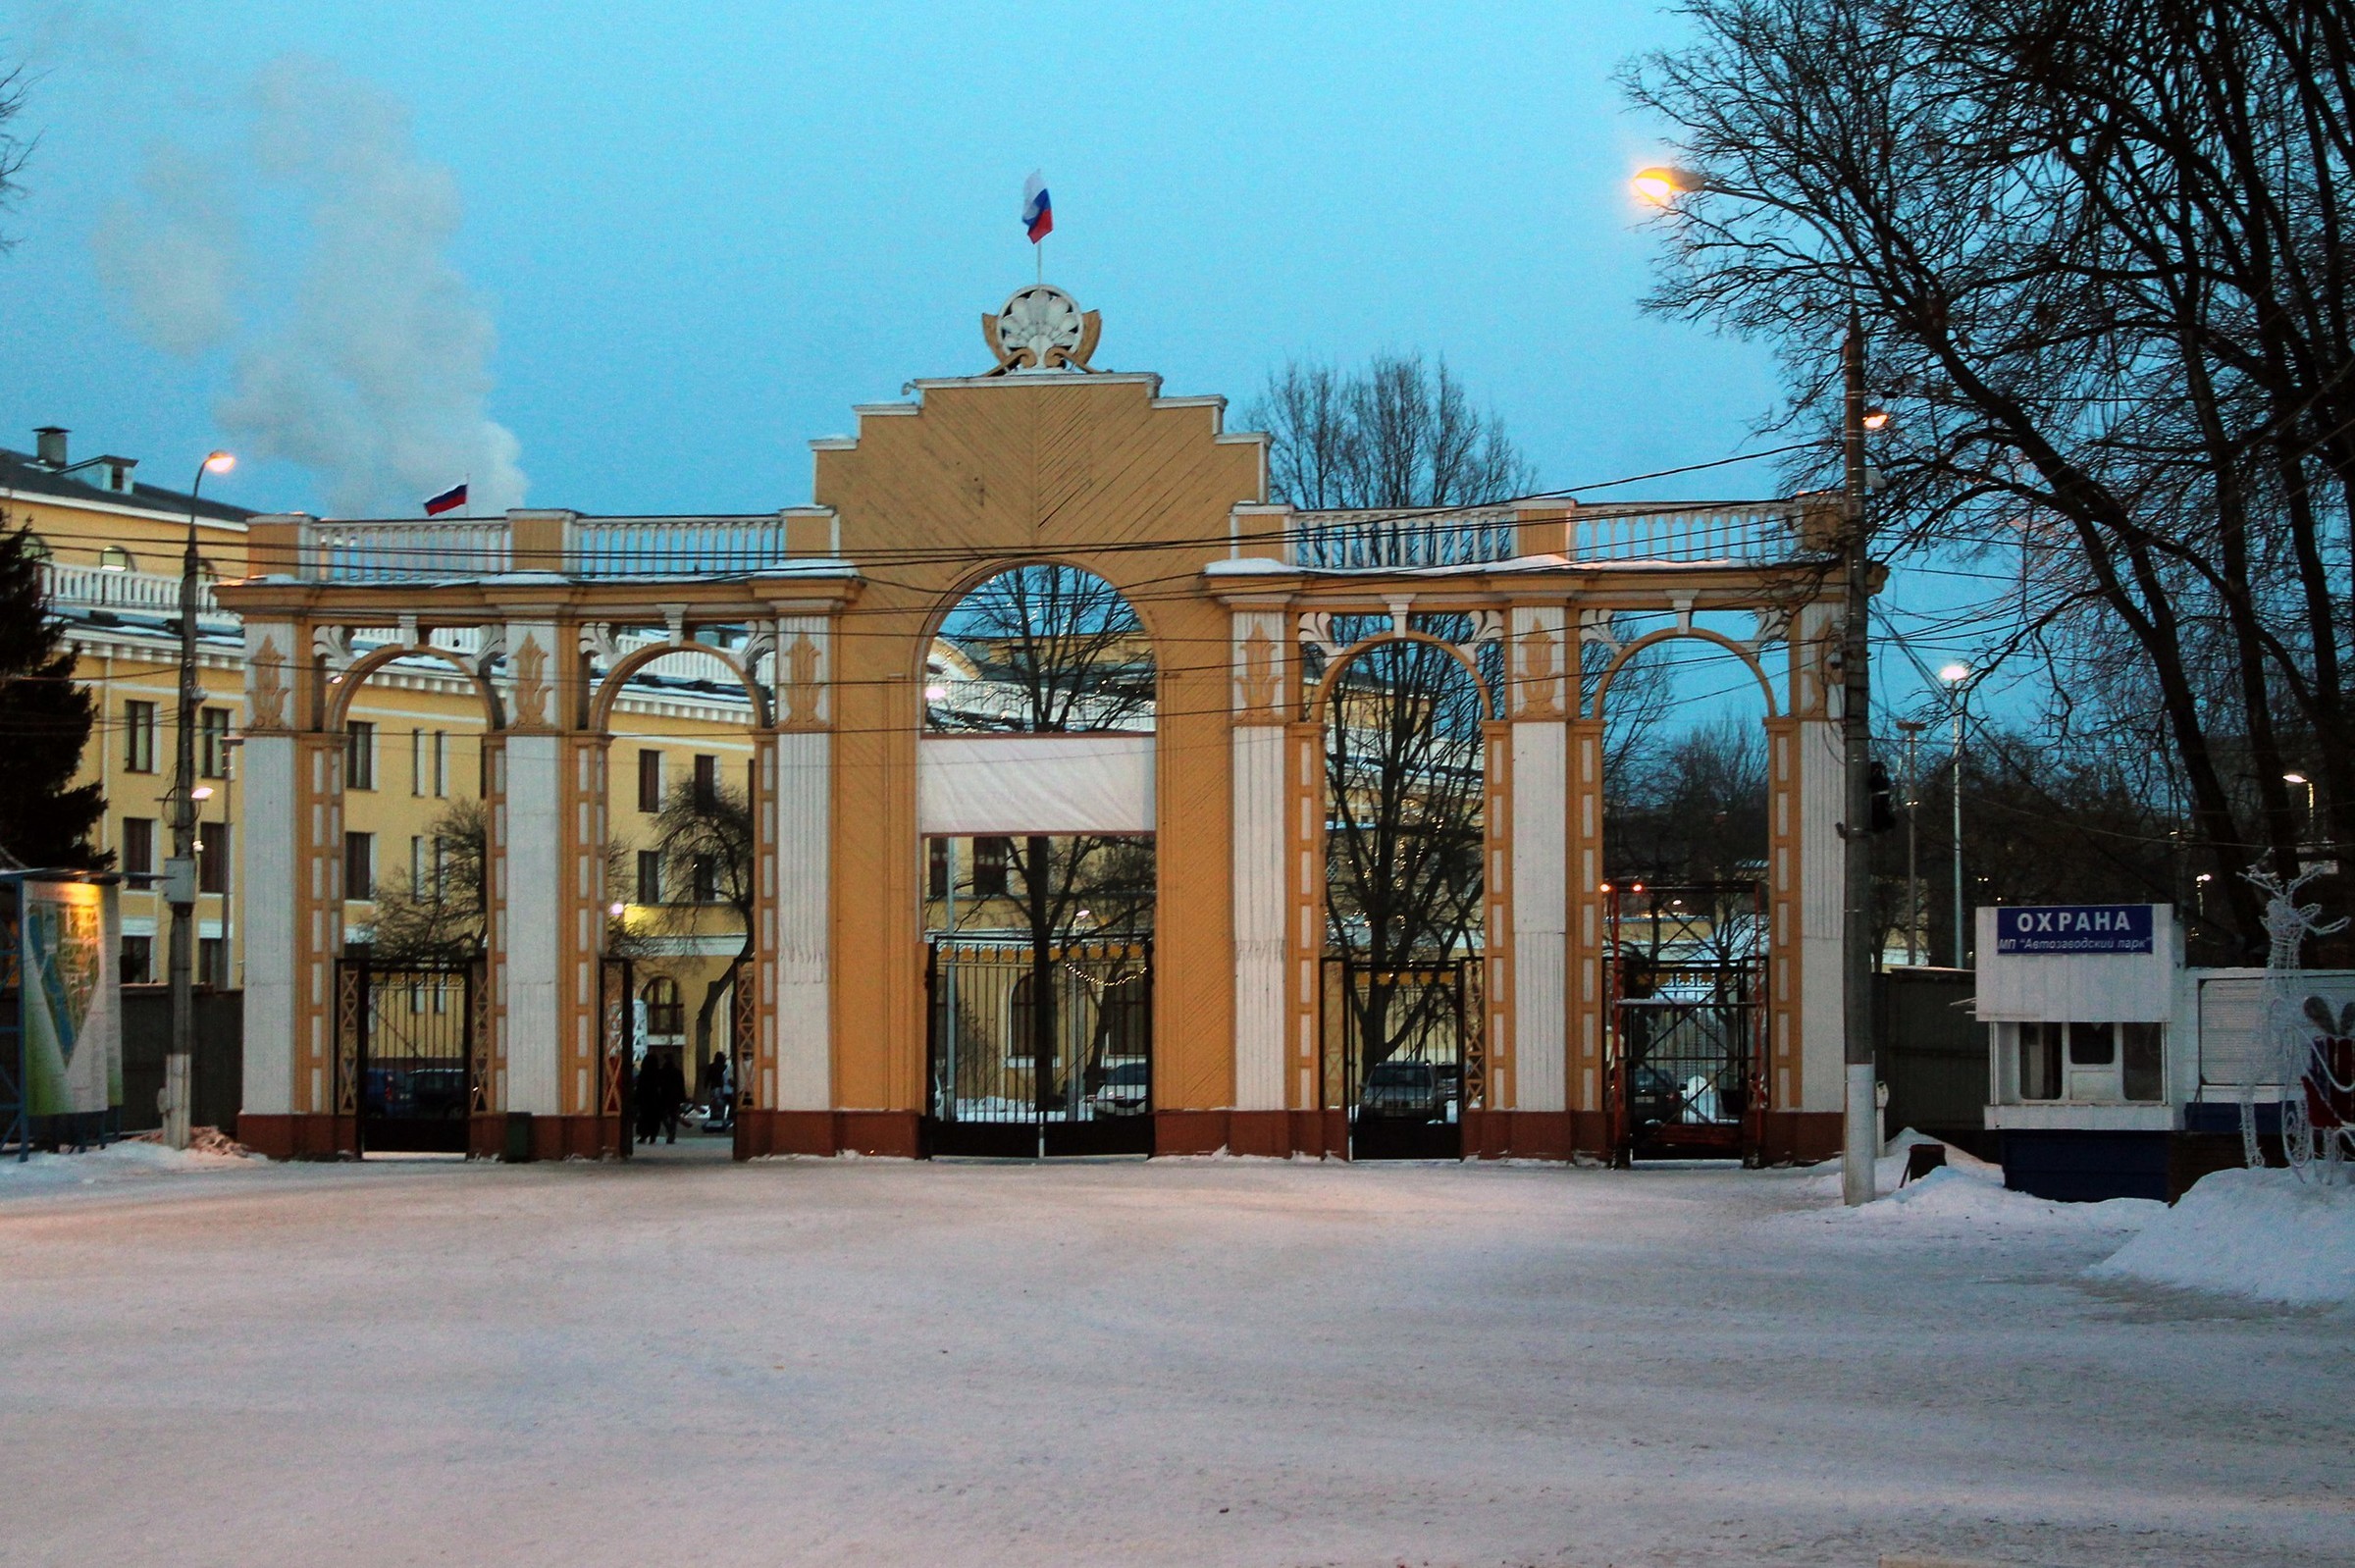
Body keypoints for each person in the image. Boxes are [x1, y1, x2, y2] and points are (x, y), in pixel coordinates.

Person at [654, 1053, 687, 1145]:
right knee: (674, 1116)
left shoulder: (661, 1072)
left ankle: (670, 1130)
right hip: (675, 1097)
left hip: (664, 1096)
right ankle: (672, 1134)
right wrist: (682, 1097)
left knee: (663, 1115)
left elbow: (658, 1084)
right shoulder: (677, 1072)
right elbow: (681, 1086)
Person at [706, 1051, 731, 1131]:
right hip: (722, 1088)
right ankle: (721, 1118)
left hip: (713, 1087)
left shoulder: (711, 1067)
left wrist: (706, 1085)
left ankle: (713, 1116)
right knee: (722, 1104)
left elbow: (707, 1077)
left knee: (713, 1103)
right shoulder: (725, 1067)